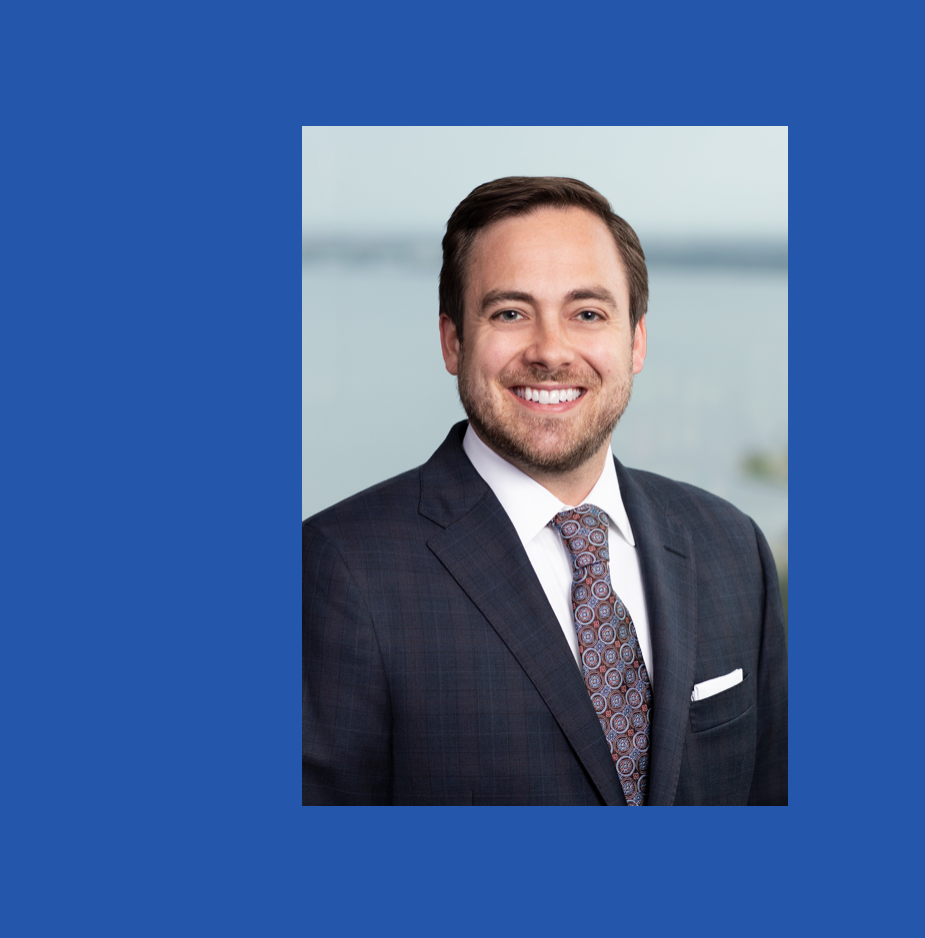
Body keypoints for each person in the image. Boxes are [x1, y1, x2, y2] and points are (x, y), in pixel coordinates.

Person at [302, 176, 787, 805]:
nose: (551, 352)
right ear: (453, 341)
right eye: (510, 313)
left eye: (587, 314)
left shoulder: (732, 548)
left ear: (636, 340)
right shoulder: (339, 570)